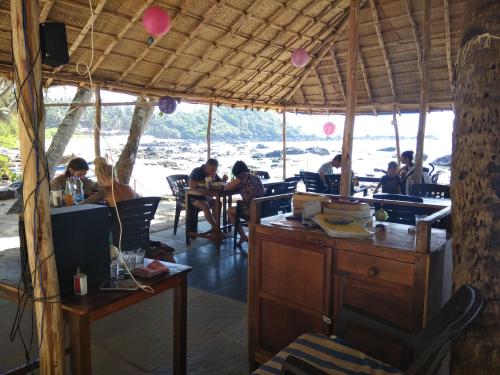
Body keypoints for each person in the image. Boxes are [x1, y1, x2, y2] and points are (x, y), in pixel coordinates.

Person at [224, 161, 265, 247]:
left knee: (230, 211)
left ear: (236, 172)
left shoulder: (242, 176)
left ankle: (242, 236)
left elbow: (228, 187)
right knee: (239, 207)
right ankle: (250, 234)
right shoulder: (254, 176)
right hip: (263, 208)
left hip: (252, 209)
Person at [188, 159, 228, 232]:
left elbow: (219, 183)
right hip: (192, 197)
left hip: (204, 197)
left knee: (218, 203)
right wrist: (208, 179)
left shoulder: (213, 173)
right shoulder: (197, 171)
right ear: (206, 166)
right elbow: (191, 184)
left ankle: (214, 228)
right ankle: (216, 229)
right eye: (212, 170)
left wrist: (223, 180)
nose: (214, 172)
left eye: (215, 170)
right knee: (205, 205)